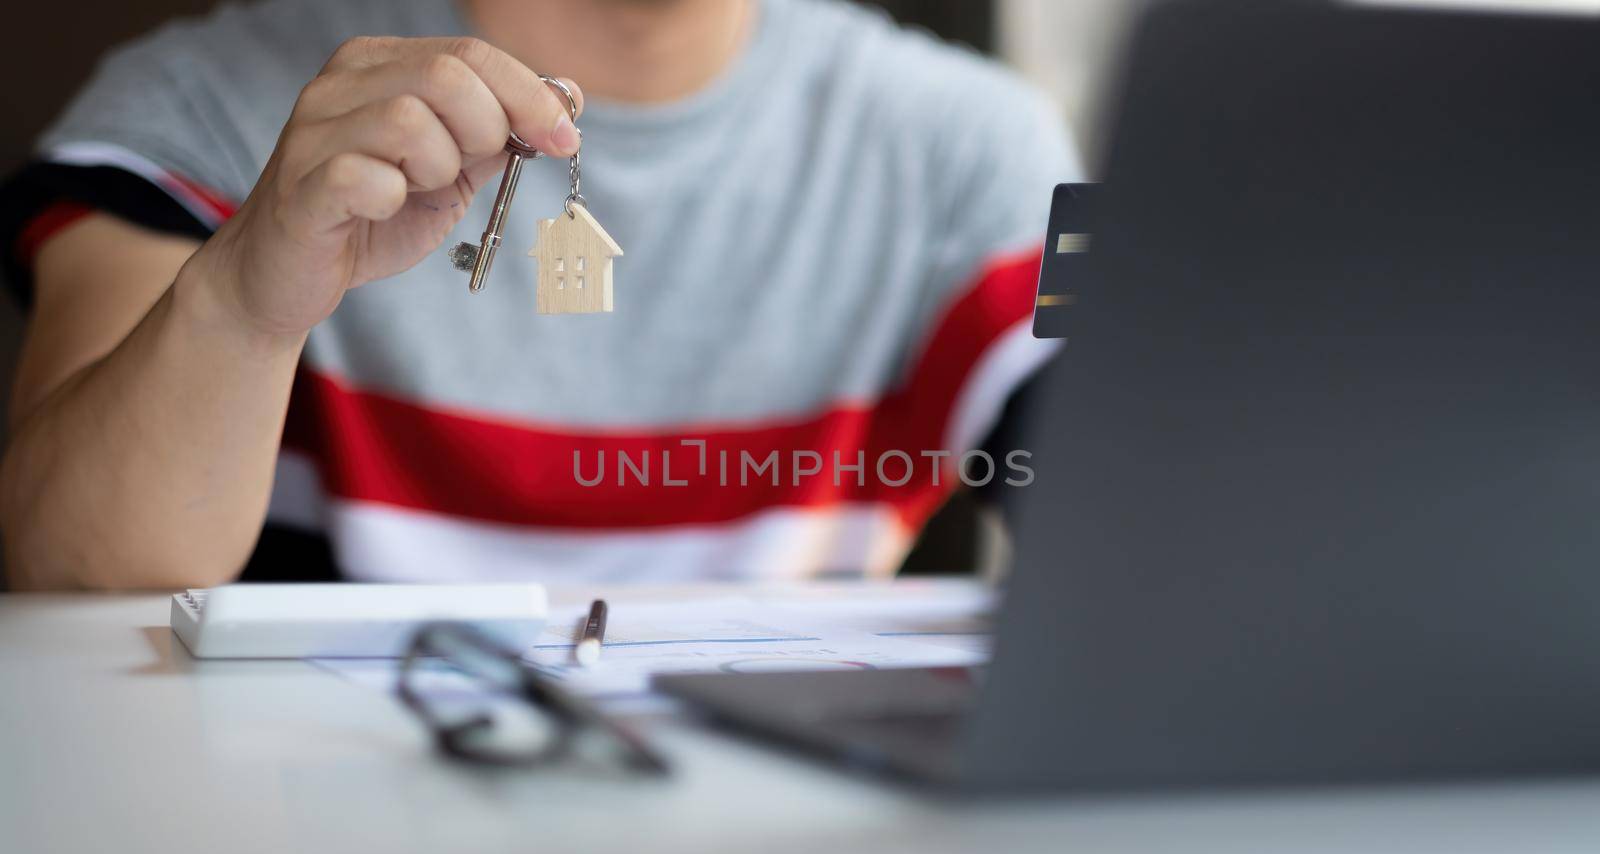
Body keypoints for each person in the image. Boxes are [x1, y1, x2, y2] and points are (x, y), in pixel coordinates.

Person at [0, 0, 1079, 590]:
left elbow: (1148, 520)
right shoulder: (204, 104)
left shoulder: (969, 145)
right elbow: (69, 566)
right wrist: (242, 301)